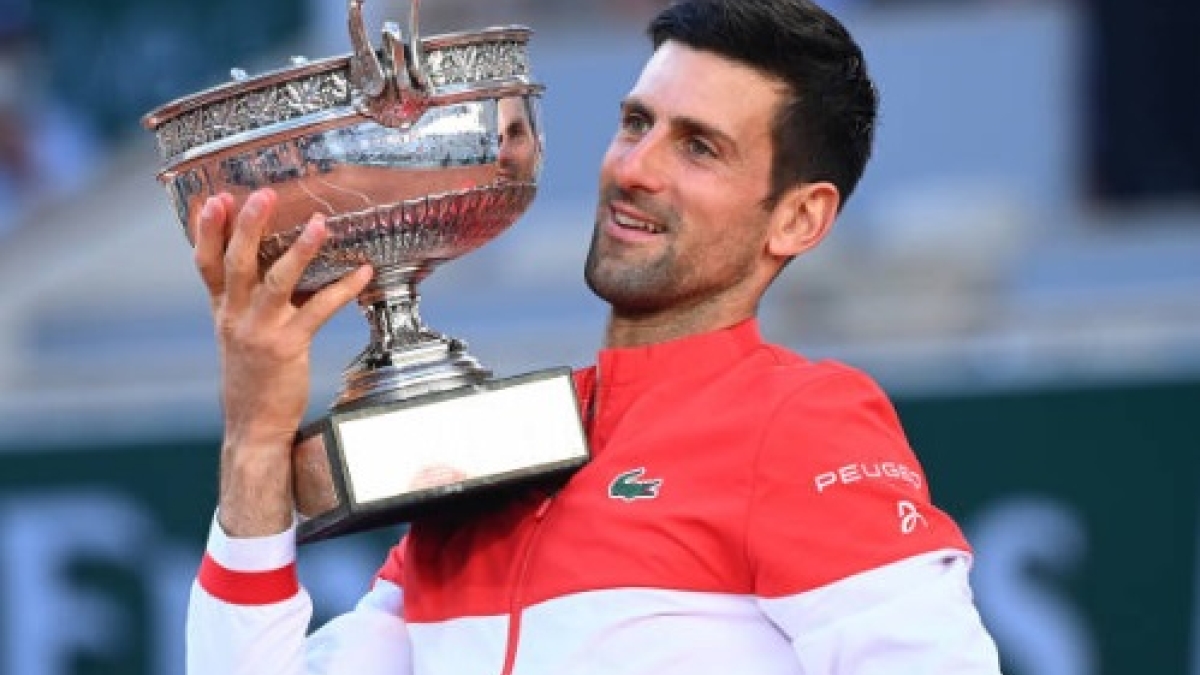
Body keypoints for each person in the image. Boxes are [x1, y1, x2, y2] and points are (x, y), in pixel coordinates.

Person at [185, 0, 1003, 673]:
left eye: (699, 147)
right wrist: (256, 437)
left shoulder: (800, 423)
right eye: (636, 122)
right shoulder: (492, 458)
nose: (636, 167)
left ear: (798, 217)